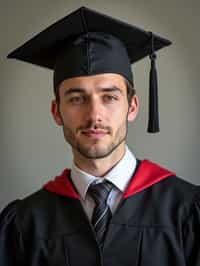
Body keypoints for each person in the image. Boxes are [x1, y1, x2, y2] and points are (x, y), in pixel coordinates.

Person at [0, 6, 200, 266]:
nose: (94, 114)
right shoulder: (23, 225)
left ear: (132, 107)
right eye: (76, 98)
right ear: (56, 111)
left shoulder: (188, 210)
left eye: (109, 97)